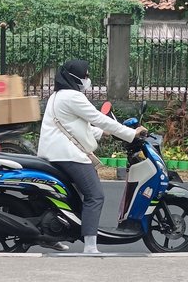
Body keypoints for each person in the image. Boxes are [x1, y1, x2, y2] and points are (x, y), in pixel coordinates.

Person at [37, 59, 148, 254]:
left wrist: (103, 133)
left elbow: (76, 127)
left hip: (54, 153)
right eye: (85, 76)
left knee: (72, 196)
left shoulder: (57, 96)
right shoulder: (73, 97)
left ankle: (52, 235)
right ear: (75, 77)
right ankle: (90, 245)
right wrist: (131, 134)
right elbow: (99, 118)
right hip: (67, 155)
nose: (88, 79)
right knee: (95, 195)